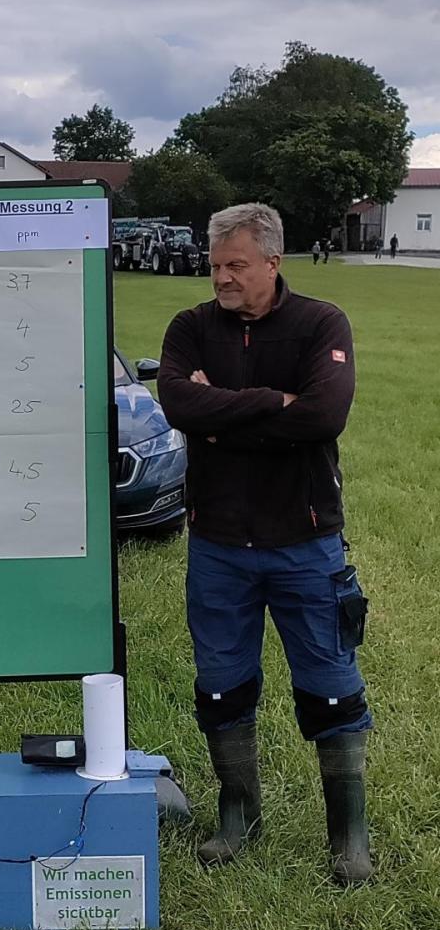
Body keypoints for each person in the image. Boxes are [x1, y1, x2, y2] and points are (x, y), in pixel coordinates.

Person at [158, 202, 373, 887]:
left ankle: (349, 836)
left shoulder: (320, 323)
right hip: (218, 545)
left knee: (332, 689)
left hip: (305, 543)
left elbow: (324, 414)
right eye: (215, 264)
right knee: (221, 687)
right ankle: (238, 815)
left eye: (235, 265)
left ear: (273, 262)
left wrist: (220, 410)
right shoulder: (190, 328)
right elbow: (177, 404)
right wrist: (270, 404)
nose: (220, 276)